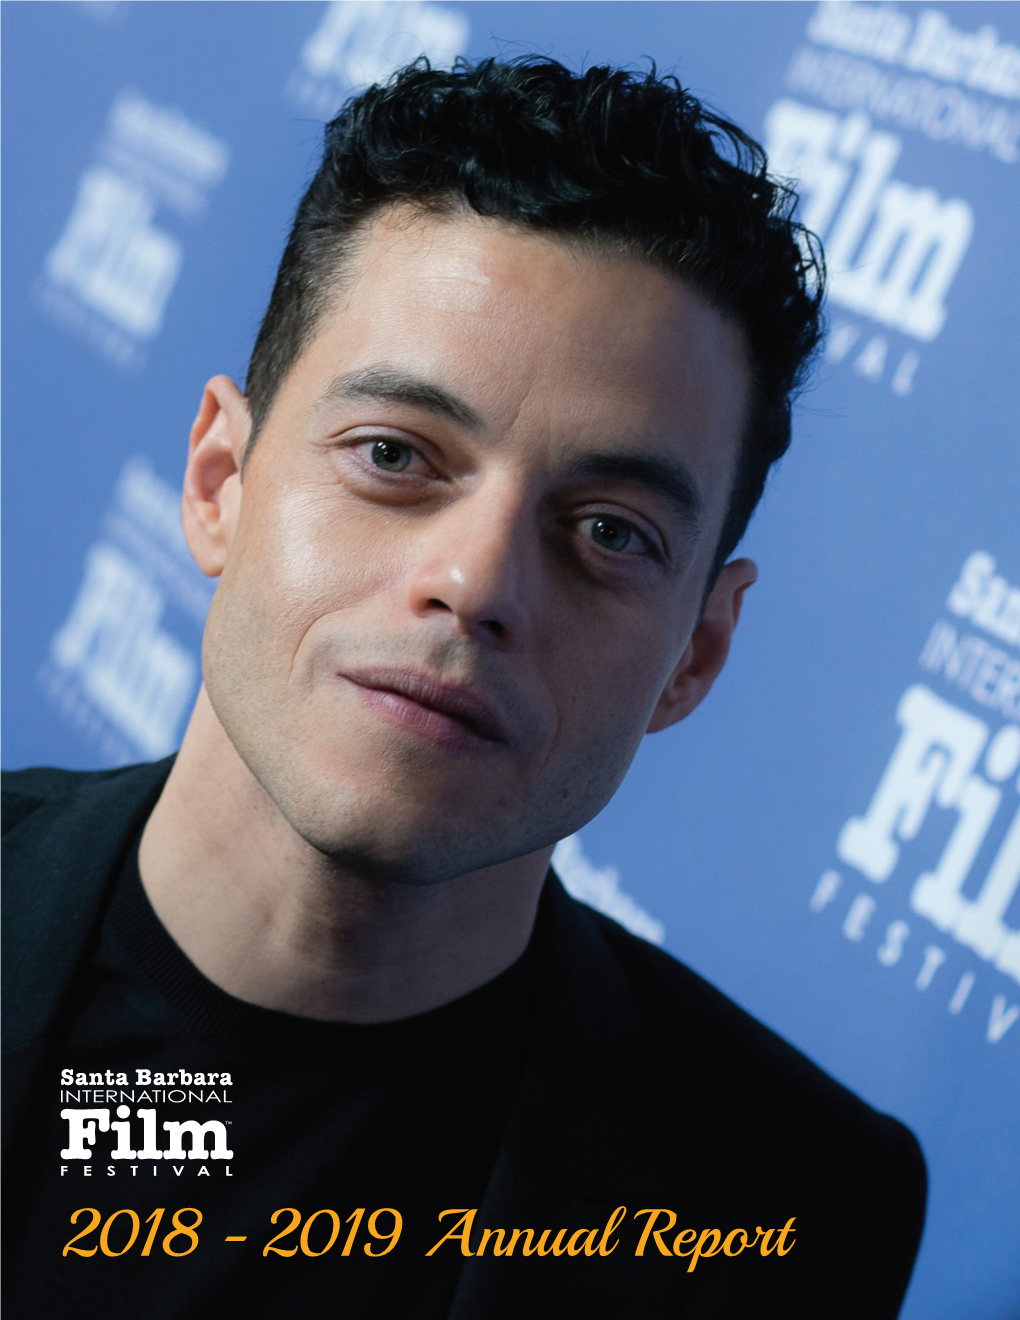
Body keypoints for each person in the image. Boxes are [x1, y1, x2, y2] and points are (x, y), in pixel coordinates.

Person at [3, 56, 925, 1319]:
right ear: (222, 481)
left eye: (609, 532)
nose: (476, 582)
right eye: (393, 455)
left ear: (696, 653)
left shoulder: (804, 1202)